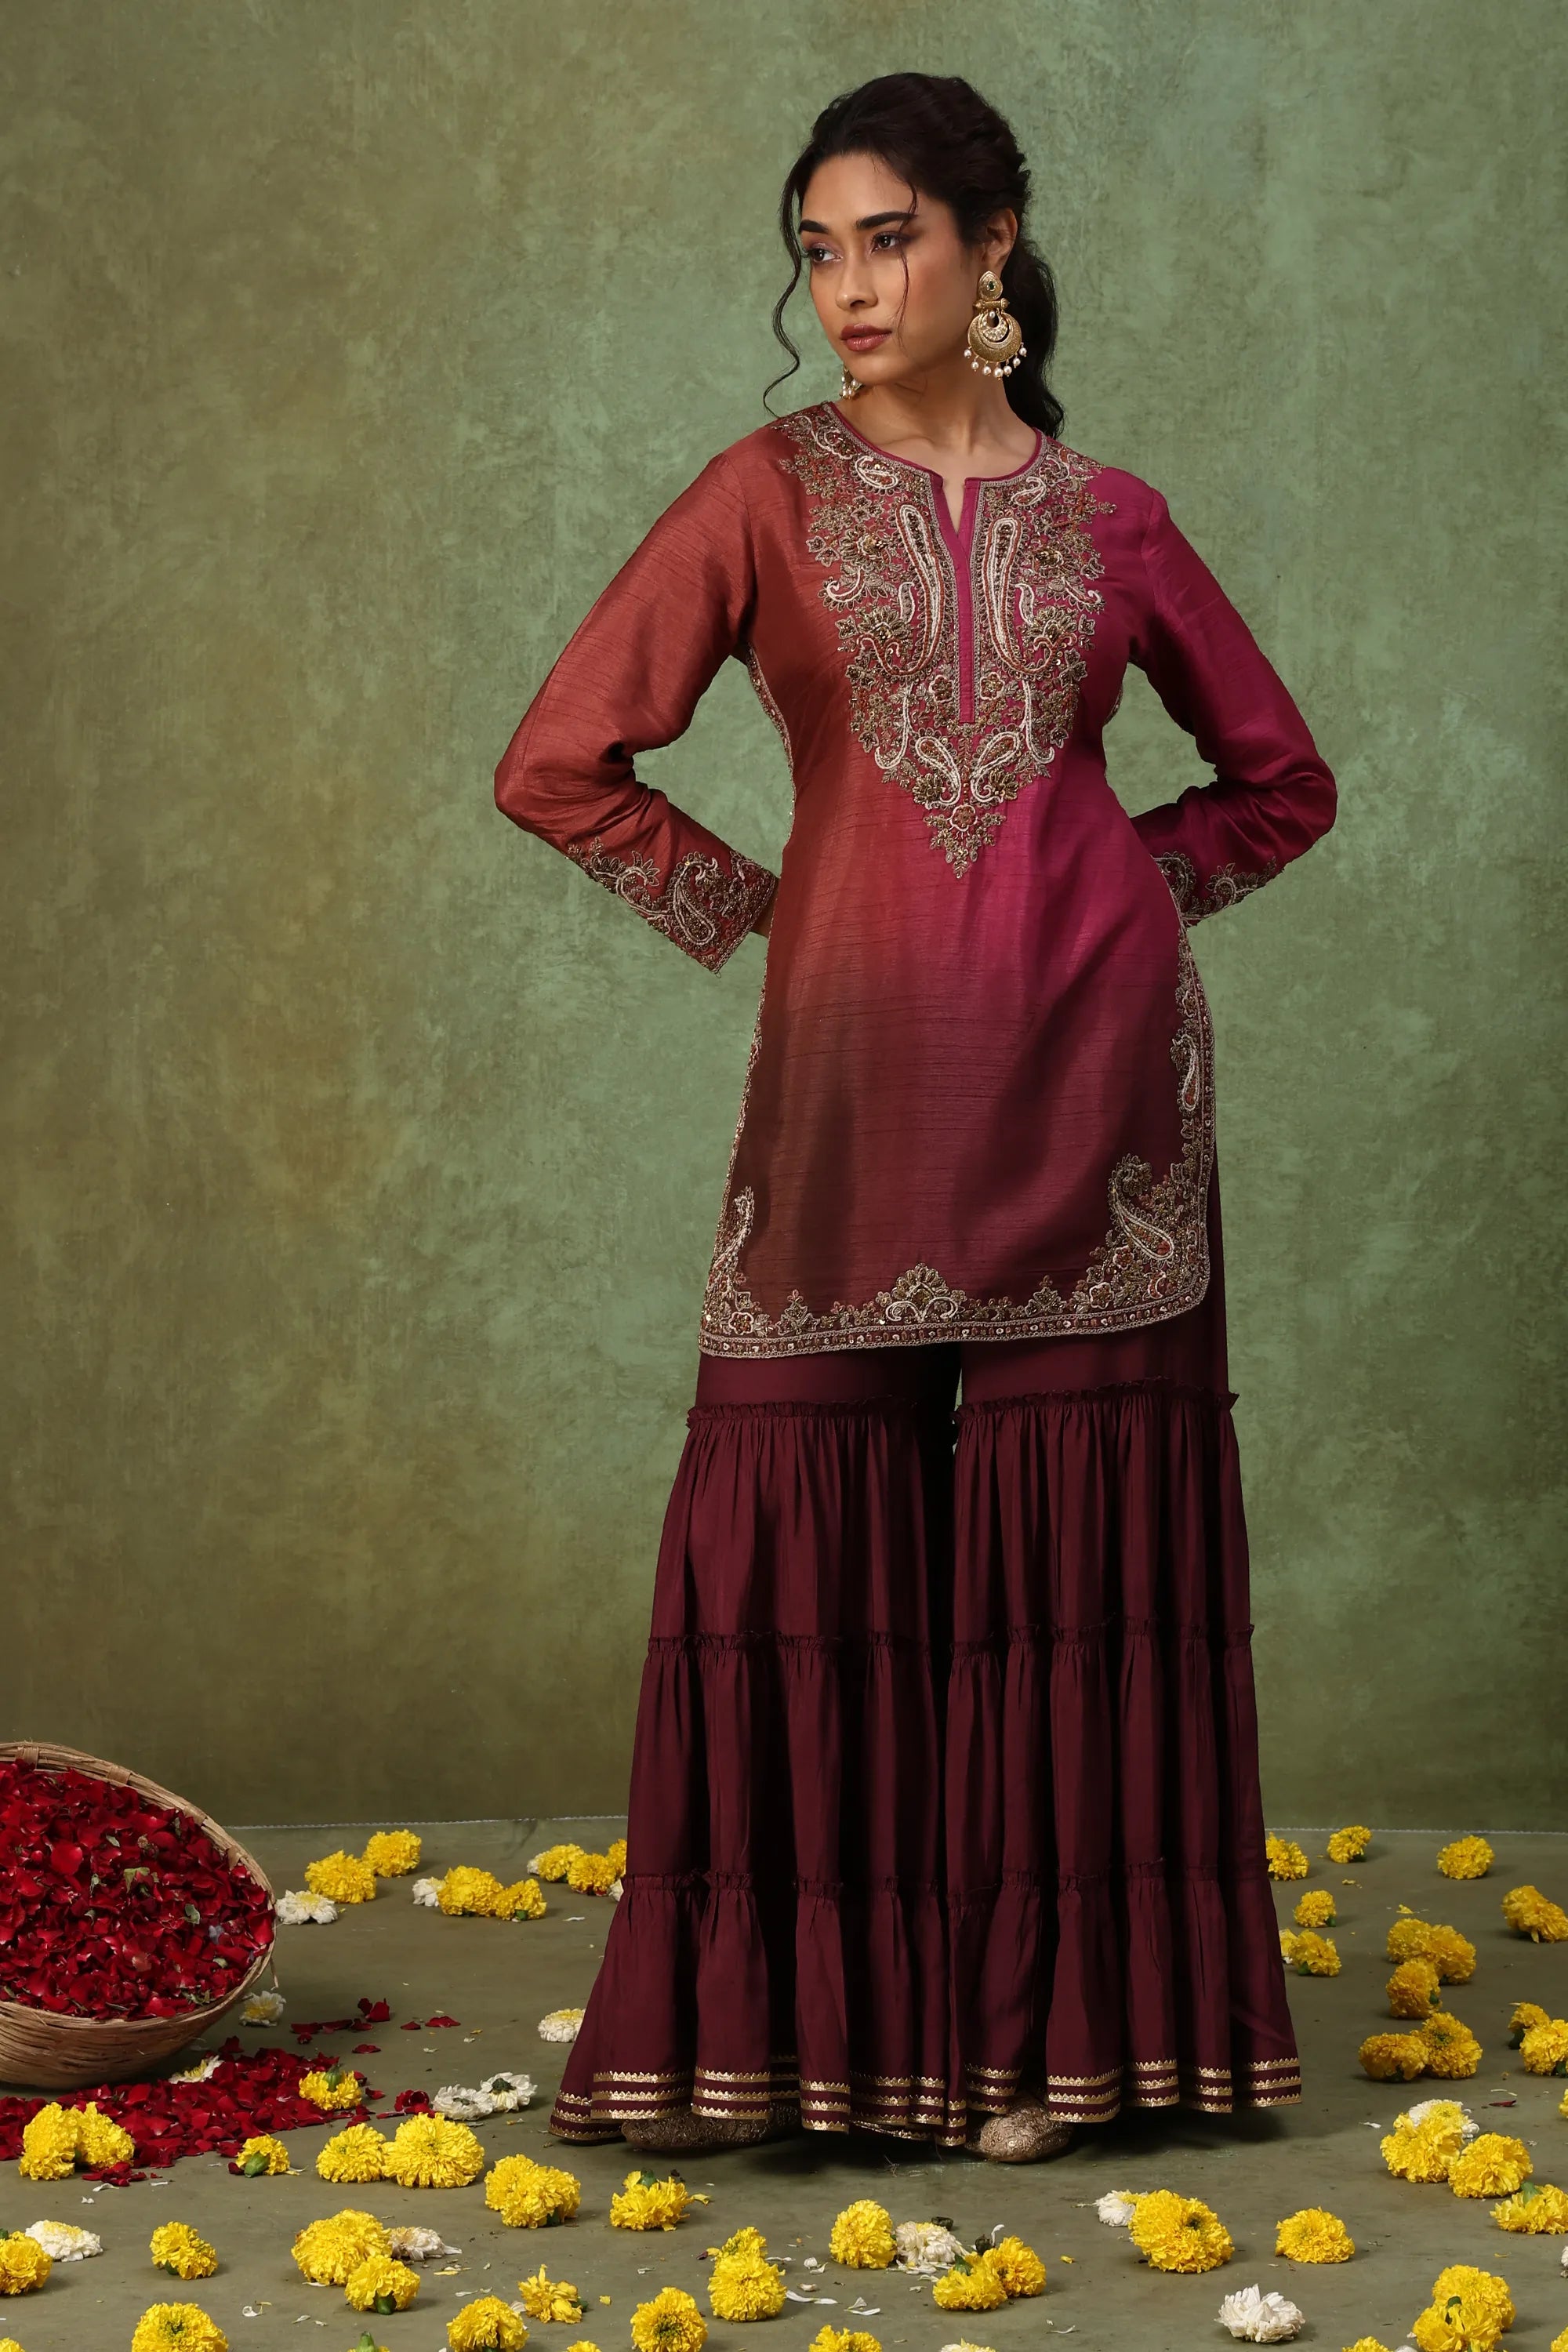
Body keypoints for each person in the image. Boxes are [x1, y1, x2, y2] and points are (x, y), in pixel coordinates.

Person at [492, 71, 1336, 2164]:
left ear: (990, 252)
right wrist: (777, 926)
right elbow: (559, 757)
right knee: (809, 1539)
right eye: (816, 248)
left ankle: (1062, 2055)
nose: (847, 285)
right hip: (854, 1099)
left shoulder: (1115, 517)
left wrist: (1129, 902)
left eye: (885, 240)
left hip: (1101, 1101)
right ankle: (814, 2048)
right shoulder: (761, 496)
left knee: (1070, 1590)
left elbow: (1280, 781)